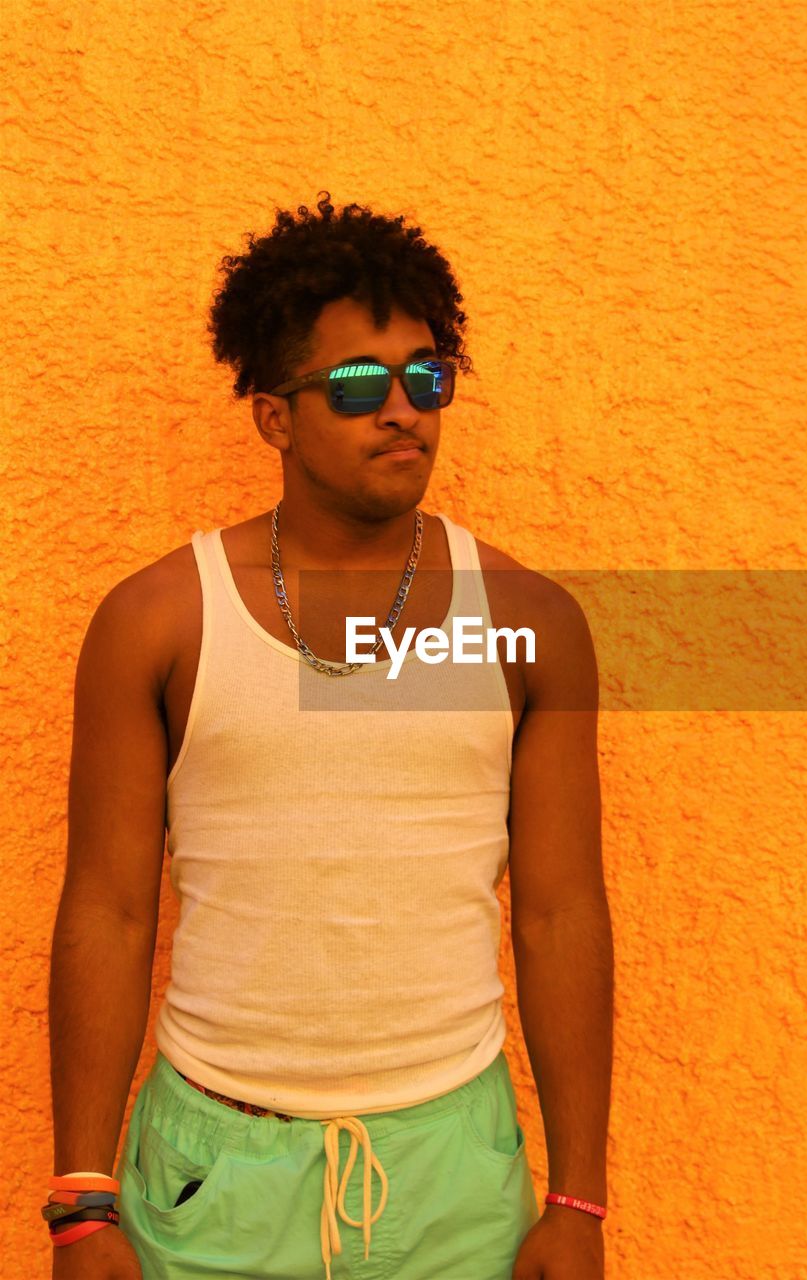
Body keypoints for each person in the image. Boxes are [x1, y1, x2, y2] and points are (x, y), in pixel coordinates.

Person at [48, 192, 613, 1280]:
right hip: (208, 1172)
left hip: (453, 1164)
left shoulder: (527, 622)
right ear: (273, 415)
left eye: (427, 375)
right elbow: (108, 910)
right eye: (359, 384)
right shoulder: (160, 620)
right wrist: (82, 1204)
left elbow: (558, 911)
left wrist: (577, 1194)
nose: (402, 409)